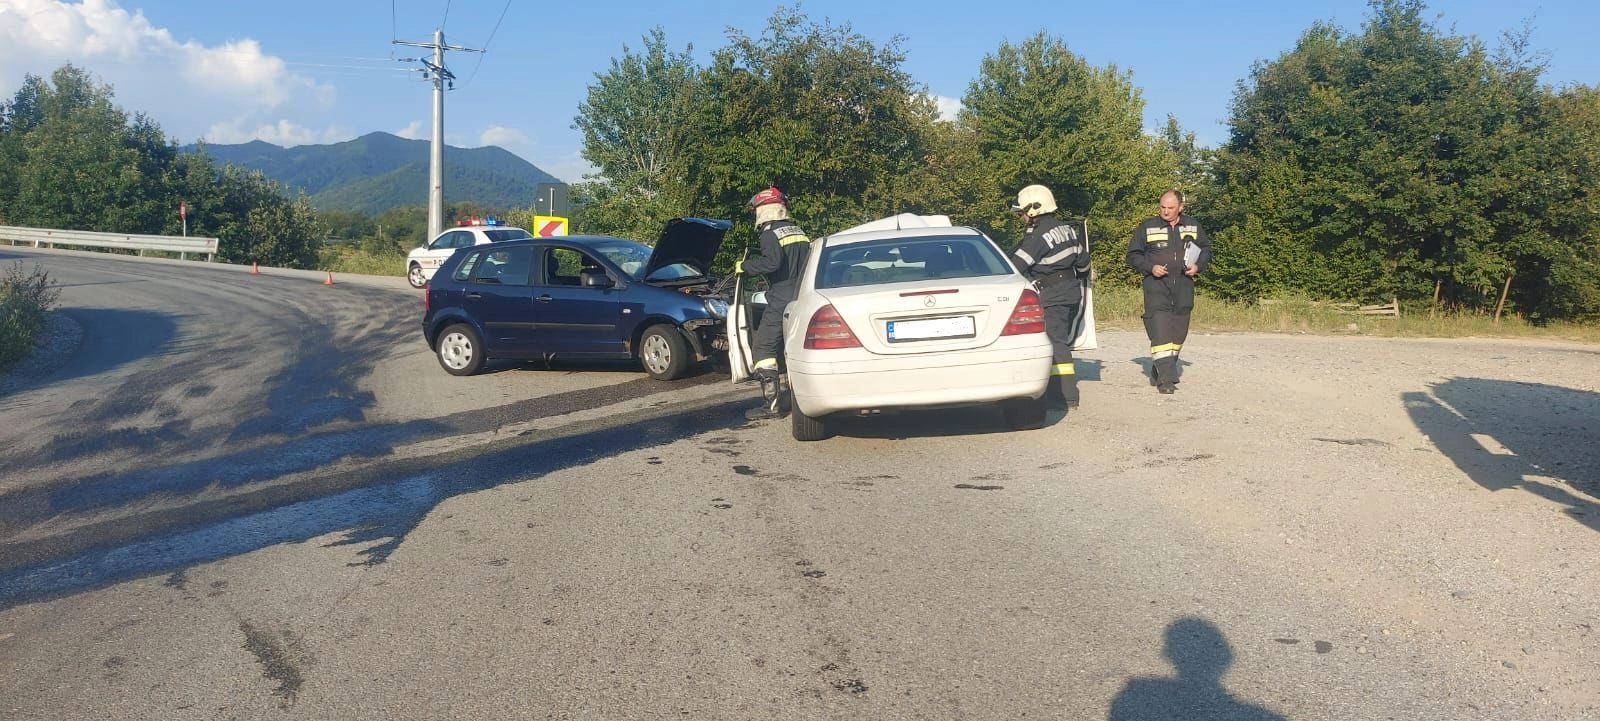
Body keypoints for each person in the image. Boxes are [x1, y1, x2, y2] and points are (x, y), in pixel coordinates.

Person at [1011, 184, 1092, 411]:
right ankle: (1059, 391)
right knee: (1060, 341)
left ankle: (1065, 396)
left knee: (1055, 344)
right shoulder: (1066, 230)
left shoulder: (1038, 236)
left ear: (1034, 210)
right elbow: (1084, 263)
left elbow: (1015, 267)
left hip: (1053, 295)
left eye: (1023, 212)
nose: (1021, 216)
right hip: (1071, 292)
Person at [735, 186, 812, 420]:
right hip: (803, 295)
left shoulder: (770, 234)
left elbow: (772, 263)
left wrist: (745, 266)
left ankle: (772, 406)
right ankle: (795, 396)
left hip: (781, 297)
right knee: (791, 347)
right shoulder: (798, 231)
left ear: (763, 210)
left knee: (764, 348)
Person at [1126, 189, 1212, 394]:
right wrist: (1150, 267)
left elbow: (1206, 249)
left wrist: (1198, 266)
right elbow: (1133, 255)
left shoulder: (1193, 225)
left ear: (1181, 207)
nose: (1165, 211)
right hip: (1156, 286)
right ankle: (1166, 380)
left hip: (1184, 285)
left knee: (1178, 334)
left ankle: (1159, 369)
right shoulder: (1147, 227)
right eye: (1162, 207)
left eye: (1170, 208)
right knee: (1161, 331)